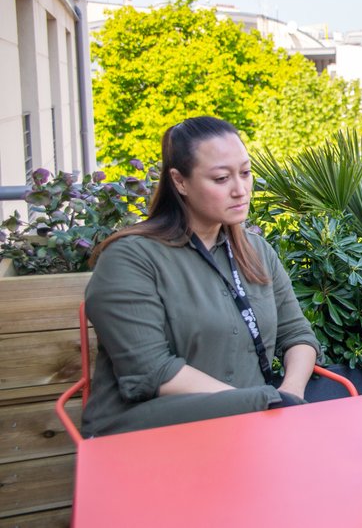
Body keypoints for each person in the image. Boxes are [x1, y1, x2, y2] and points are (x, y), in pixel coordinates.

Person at [81, 116, 320, 437]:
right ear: (180, 181)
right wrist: (262, 403)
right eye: (221, 178)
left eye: (246, 173)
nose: (240, 190)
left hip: (251, 428)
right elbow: (153, 371)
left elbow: (298, 335)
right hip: (150, 437)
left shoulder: (256, 251)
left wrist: (289, 396)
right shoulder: (129, 258)